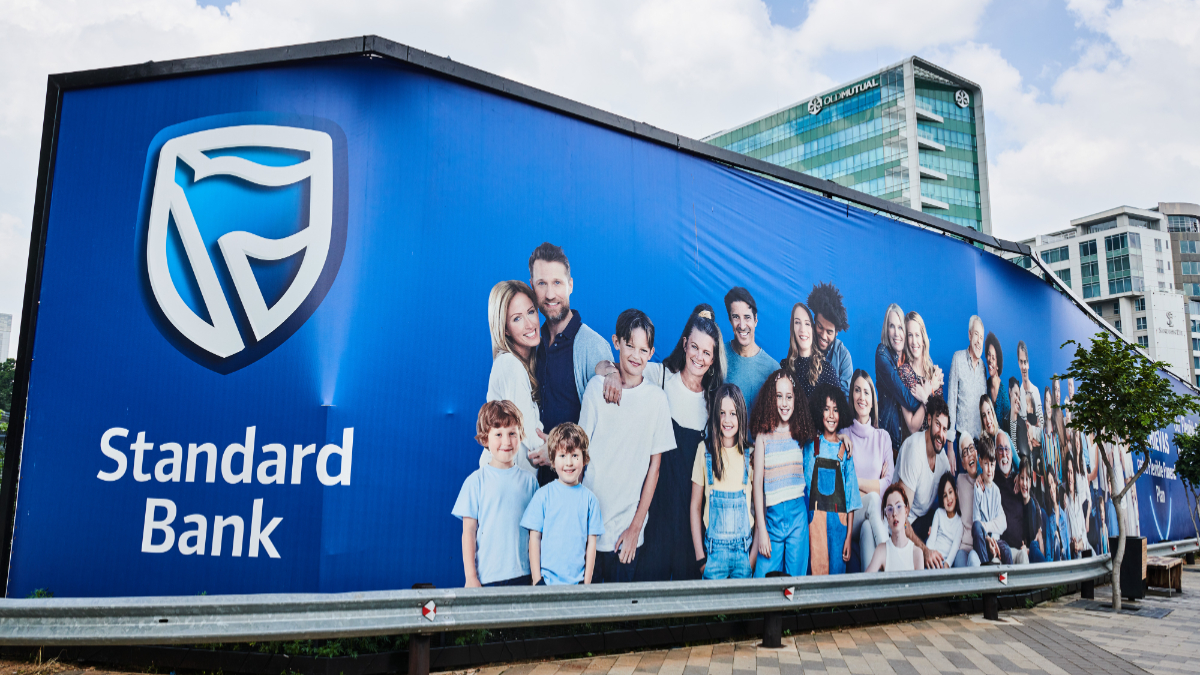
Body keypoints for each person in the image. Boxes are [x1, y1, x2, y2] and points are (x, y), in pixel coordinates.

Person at [599, 305, 725, 582]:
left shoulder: (714, 401)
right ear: (685, 344)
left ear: (714, 359)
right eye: (695, 347)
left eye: (707, 352)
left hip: (690, 515)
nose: (699, 357)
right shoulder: (661, 376)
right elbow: (608, 365)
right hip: (653, 509)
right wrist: (610, 373)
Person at [579, 310, 675, 582]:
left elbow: (654, 468)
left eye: (643, 350)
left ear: (652, 353)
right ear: (616, 342)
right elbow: (579, 455)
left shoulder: (656, 400)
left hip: (626, 533)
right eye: (630, 345)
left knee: (620, 605)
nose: (636, 355)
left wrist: (635, 528)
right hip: (588, 526)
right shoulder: (596, 389)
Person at [529, 243, 616, 485]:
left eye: (557, 282)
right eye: (542, 283)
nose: (550, 294)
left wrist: (558, 450)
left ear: (570, 285)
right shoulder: (532, 343)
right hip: (534, 485)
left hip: (576, 488)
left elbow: (606, 431)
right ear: (532, 286)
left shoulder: (593, 346)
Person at [453, 400, 541, 587]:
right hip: (488, 578)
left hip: (523, 575)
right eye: (498, 434)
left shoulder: (530, 482)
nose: (506, 442)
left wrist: (536, 576)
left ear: (520, 435)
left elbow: (535, 533)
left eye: (512, 433)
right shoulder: (475, 482)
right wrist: (471, 577)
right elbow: (469, 532)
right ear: (485, 439)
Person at [751, 370, 816, 577]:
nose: (784, 403)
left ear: (796, 400)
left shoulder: (800, 433)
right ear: (771, 399)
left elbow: (827, 438)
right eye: (779, 396)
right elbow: (757, 484)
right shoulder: (763, 436)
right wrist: (762, 530)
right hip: (772, 519)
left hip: (798, 517)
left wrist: (842, 436)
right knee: (765, 581)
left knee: (793, 584)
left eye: (789, 397)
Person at [521, 423, 605, 585]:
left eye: (575, 455)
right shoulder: (543, 496)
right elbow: (534, 538)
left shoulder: (590, 500)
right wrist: (537, 580)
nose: (569, 462)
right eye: (562, 455)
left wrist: (586, 584)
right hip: (546, 583)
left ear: (584, 458)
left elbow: (591, 544)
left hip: (578, 584)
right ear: (552, 459)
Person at [690, 383, 754, 580]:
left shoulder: (750, 455)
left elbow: (760, 509)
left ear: (741, 415)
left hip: (744, 556)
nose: (727, 419)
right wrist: (701, 559)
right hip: (713, 557)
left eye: (733, 413)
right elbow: (695, 507)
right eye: (722, 413)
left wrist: (751, 560)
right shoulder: (704, 451)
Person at [482, 280, 545, 474]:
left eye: (531, 312)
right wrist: (566, 448)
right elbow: (531, 436)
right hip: (503, 483)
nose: (530, 324)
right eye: (517, 318)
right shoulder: (510, 365)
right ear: (505, 329)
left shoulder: (526, 364)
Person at [806, 383, 861, 575]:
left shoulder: (845, 451)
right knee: (815, 572)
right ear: (819, 411)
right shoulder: (811, 446)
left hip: (840, 526)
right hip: (815, 525)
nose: (831, 415)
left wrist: (848, 538)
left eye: (836, 410)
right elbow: (805, 490)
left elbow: (851, 499)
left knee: (837, 575)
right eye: (826, 409)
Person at [842, 370, 894, 571]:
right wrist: (874, 487)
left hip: (873, 517)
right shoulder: (843, 435)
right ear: (852, 396)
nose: (861, 397)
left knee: (867, 527)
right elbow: (844, 487)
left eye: (866, 392)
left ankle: (871, 582)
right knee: (872, 500)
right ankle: (892, 563)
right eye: (857, 390)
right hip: (850, 516)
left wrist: (857, 482)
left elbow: (887, 485)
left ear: (873, 402)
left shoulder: (883, 437)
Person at [895, 394, 952, 564]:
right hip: (902, 524)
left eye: (945, 429)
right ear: (929, 420)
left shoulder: (943, 462)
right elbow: (900, 516)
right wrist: (925, 550)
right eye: (937, 425)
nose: (941, 434)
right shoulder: (915, 450)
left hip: (923, 522)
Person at [875, 304, 923, 453]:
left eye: (900, 327)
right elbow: (908, 400)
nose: (896, 333)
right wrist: (927, 395)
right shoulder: (882, 355)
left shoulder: (907, 358)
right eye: (892, 326)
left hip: (907, 441)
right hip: (889, 441)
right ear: (886, 329)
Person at [724, 287, 777, 411]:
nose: (742, 326)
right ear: (730, 320)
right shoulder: (717, 356)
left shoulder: (772, 369)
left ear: (755, 320)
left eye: (747, 317)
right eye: (736, 317)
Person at [897, 312, 945, 439]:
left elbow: (941, 421)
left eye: (917, 335)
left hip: (935, 444)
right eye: (910, 335)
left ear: (923, 338)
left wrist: (924, 397)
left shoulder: (934, 374)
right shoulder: (903, 373)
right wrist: (930, 390)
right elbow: (912, 427)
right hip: (914, 444)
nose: (914, 341)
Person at [781, 302, 841, 400]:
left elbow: (839, 406)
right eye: (797, 322)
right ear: (792, 328)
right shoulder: (783, 367)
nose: (802, 329)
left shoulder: (827, 370)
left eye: (807, 323)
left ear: (812, 329)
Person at [947, 316, 987, 459]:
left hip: (980, 444)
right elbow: (951, 401)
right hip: (962, 441)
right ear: (969, 335)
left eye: (981, 337)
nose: (979, 341)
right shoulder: (958, 359)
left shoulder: (983, 368)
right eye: (976, 334)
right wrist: (950, 446)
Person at [864, 484, 924, 572]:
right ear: (886, 517)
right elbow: (866, 578)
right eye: (890, 509)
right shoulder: (881, 550)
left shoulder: (917, 553)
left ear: (906, 511)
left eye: (899, 506)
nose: (894, 513)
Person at [972, 435, 1013, 565]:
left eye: (992, 464)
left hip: (995, 539)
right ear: (980, 462)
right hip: (983, 541)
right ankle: (986, 568)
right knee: (976, 526)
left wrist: (989, 531)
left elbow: (1003, 524)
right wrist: (987, 538)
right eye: (986, 464)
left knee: (1006, 549)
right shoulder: (978, 488)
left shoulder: (996, 491)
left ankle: (1008, 579)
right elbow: (976, 522)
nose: (989, 470)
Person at [808, 282, 852, 394]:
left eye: (829, 332)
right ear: (814, 321)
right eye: (820, 327)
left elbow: (845, 397)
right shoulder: (804, 344)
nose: (823, 336)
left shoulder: (843, 356)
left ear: (836, 332)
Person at [994, 427, 1027, 562]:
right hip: (1001, 552)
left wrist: (1028, 542)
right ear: (995, 453)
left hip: (1020, 550)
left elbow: (1031, 507)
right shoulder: (992, 482)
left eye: (1007, 449)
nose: (1004, 454)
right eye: (1000, 449)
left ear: (1011, 454)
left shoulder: (1019, 481)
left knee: (1024, 557)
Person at [926, 473, 972, 568]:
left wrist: (947, 564)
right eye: (944, 495)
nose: (948, 498)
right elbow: (932, 539)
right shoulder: (939, 513)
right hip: (933, 558)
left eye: (950, 492)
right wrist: (928, 554)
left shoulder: (960, 522)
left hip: (945, 563)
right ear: (942, 501)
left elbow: (955, 546)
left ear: (955, 494)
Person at [954, 436, 982, 566]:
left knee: (973, 559)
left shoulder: (986, 480)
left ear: (976, 453)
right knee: (959, 567)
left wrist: (981, 474)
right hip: (963, 546)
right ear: (963, 464)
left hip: (980, 546)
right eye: (965, 452)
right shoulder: (960, 480)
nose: (969, 454)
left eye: (971, 448)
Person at [1014, 463, 1048, 564]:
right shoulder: (1019, 502)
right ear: (1018, 479)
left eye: (1027, 480)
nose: (1024, 483)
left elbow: (1034, 540)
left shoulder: (1032, 506)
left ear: (1030, 482)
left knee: (1033, 546)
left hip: (1033, 550)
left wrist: (1027, 549)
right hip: (1023, 551)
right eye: (1022, 478)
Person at [1064, 454, 1093, 558]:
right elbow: (1066, 538)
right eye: (1068, 472)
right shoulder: (1065, 501)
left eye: (1072, 472)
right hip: (1074, 552)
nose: (1070, 476)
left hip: (1084, 546)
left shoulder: (1078, 499)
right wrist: (1073, 546)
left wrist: (1081, 544)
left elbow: (1084, 533)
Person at [978, 395, 1015, 472]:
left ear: (993, 412)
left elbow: (1019, 466)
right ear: (982, 420)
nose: (988, 419)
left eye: (989, 412)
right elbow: (979, 470)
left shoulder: (1004, 436)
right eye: (984, 415)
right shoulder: (983, 444)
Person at [984, 332, 1009, 428]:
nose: (990, 360)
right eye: (989, 355)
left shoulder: (1003, 395)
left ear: (998, 365)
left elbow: (1008, 429)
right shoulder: (985, 386)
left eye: (993, 358)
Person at [1046, 478, 1071, 561]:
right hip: (1055, 559)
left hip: (1064, 558)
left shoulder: (1063, 515)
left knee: (1063, 552)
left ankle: (1061, 554)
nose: (1051, 489)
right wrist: (1049, 563)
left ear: (1056, 485)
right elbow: (1048, 546)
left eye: (1052, 484)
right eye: (1049, 487)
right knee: (1056, 536)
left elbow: (1067, 540)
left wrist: (1069, 562)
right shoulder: (1049, 518)